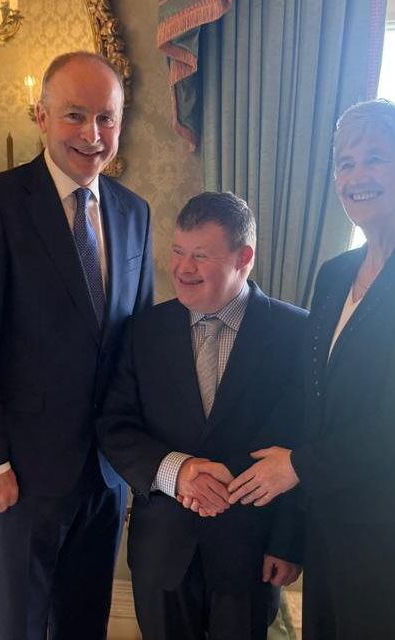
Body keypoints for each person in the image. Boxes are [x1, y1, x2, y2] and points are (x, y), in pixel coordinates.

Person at [226, 100, 395, 639]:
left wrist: (298, 467)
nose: (355, 176)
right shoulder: (335, 274)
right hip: (328, 519)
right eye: (345, 163)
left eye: (374, 160)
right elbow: (308, 403)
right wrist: (288, 534)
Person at [0, 52, 154, 640]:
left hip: (106, 476)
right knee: (19, 627)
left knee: (85, 624)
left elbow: (138, 348)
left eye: (106, 118)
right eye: (74, 116)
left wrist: (143, 458)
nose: (92, 134)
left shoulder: (135, 214)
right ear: (41, 116)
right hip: (20, 477)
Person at [97, 192, 305, 640]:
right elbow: (115, 426)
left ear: (243, 258)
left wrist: (288, 543)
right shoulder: (143, 331)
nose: (182, 269)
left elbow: (305, 441)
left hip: (250, 555)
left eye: (200, 256)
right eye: (177, 252)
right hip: (163, 552)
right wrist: (178, 471)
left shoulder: (296, 334)